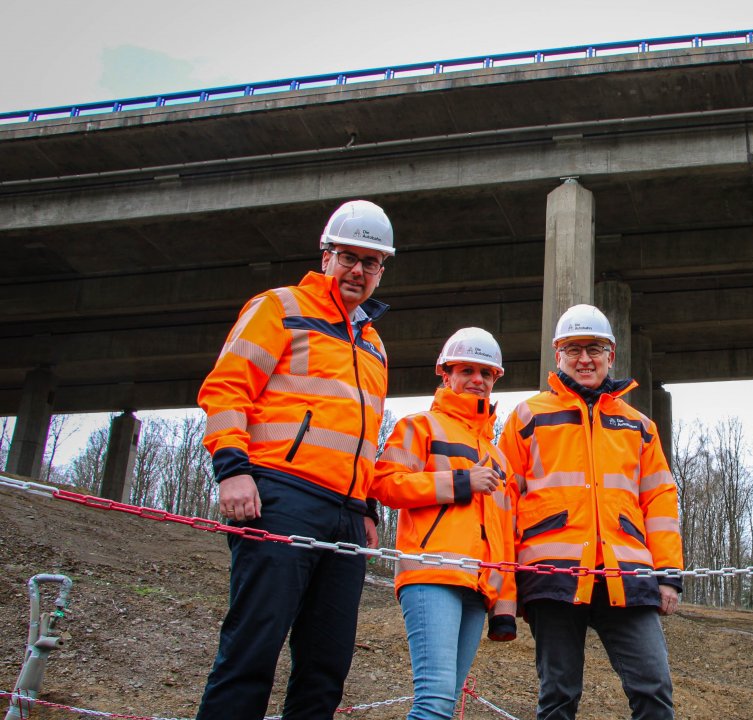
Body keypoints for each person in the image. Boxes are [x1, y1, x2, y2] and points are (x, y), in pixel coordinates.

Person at [195, 199, 395, 720]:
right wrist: (233, 470)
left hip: (347, 515)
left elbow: (364, 436)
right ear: (325, 255)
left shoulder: (373, 345)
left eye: (370, 262)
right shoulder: (278, 307)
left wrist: (367, 509)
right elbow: (225, 389)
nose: (358, 270)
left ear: (381, 271)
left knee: (327, 666)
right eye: (348, 256)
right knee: (252, 650)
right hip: (280, 495)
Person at [498, 304, 684, 720]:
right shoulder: (528, 417)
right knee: (559, 694)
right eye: (573, 349)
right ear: (557, 355)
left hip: (628, 575)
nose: (585, 358)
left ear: (611, 355)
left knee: (654, 688)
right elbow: (503, 503)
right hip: (552, 577)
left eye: (595, 348)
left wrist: (668, 574)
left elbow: (660, 501)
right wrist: (506, 582)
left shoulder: (638, 425)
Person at [369, 327, 517, 720]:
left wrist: (504, 605)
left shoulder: (499, 457)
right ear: (446, 374)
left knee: (446, 703)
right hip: (430, 575)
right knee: (434, 700)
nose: (477, 381)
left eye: (486, 374)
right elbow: (384, 484)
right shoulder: (419, 427)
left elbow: (503, 537)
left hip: (478, 586)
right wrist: (461, 482)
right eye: (467, 370)